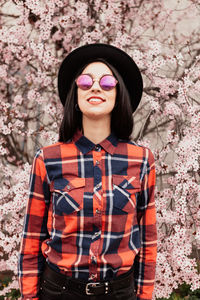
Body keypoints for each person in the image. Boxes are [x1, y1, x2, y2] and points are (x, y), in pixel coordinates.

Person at [18, 43, 157, 300]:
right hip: (59, 291)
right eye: (85, 81)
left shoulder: (142, 160)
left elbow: (148, 240)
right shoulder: (48, 159)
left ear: (118, 95)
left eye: (107, 82)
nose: (95, 87)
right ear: (75, 94)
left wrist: (145, 295)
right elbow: (31, 239)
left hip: (120, 293)